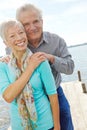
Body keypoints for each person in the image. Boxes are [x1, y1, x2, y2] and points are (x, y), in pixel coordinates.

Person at [0, 20, 60, 130]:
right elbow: (8, 96)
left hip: (45, 124)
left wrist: (57, 127)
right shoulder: (3, 66)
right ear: (6, 43)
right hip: (19, 126)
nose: (19, 38)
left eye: (21, 32)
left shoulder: (40, 61)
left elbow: (53, 95)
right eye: (12, 36)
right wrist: (30, 68)